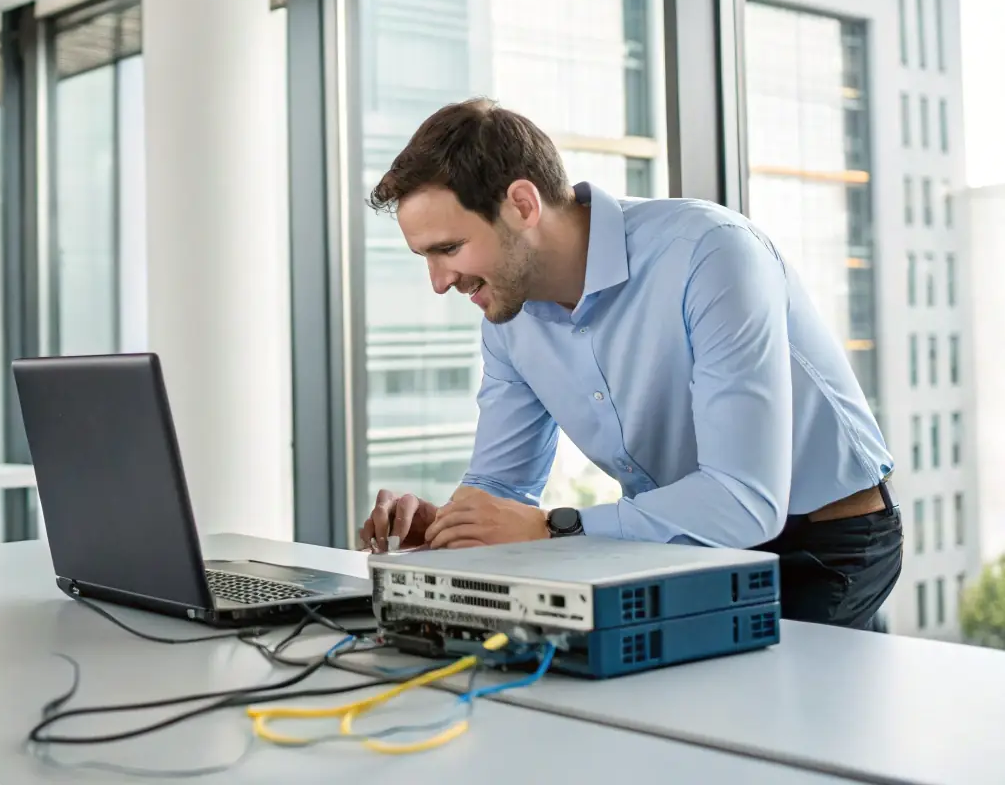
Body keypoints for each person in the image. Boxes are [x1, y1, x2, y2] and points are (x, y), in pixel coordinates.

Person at [356, 98, 902, 631]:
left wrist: (554, 528)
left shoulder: (710, 252)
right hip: (674, 543)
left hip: (824, 543)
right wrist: (449, 527)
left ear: (522, 205)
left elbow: (744, 501)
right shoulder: (508, 316)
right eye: (425, 257)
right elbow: (501, 486)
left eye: (449, 248)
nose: (439, 282)